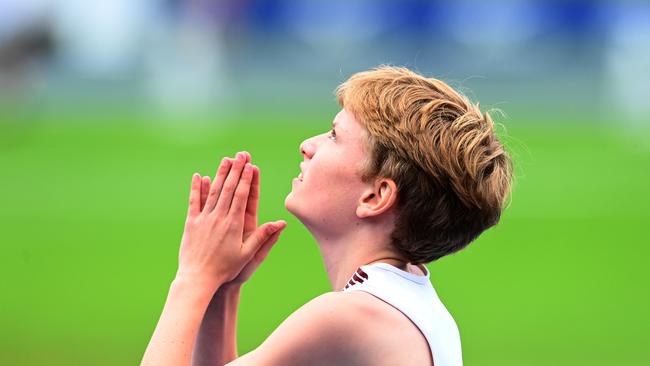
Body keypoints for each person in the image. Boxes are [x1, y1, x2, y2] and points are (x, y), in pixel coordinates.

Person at [141, 66, 513, 365]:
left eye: (335, 136)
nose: (308, 145)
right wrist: (224, 288)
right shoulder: (407, 301)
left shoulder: (354, 317)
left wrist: (193, 277)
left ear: (376, 196)